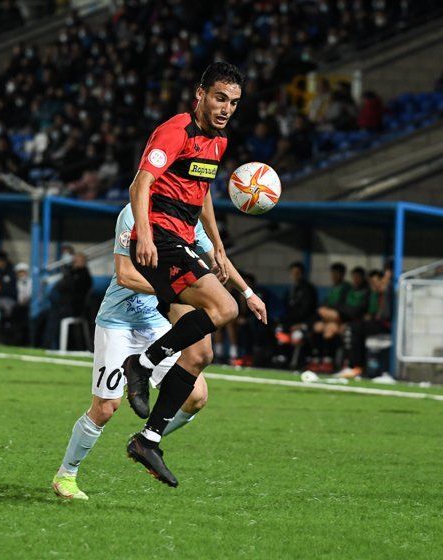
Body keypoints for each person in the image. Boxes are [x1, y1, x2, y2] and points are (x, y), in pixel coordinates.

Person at [53, 203, 265, 499]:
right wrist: (175, 288)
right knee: (105, 408)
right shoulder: (133, 213)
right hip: (119, 323)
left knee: (196, 397)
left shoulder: (185, 216)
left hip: (155, 324)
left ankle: (145, 440)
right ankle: (67, 474)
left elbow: (217, 260)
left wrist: (248, 293)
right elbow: (125, 275)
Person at [121, 62, 268, 486]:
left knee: (201, 354)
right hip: (161, 234)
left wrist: (219, 247)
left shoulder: (219, 141)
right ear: (200, 93)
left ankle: (147, 440)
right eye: (220, 98)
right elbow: (140, 185)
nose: (226, 109)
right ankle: (143, 363)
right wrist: (144, 235)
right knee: (224, 307)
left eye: (234, 102)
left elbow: (201, 196)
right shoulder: (177, 130)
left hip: (184, 237)